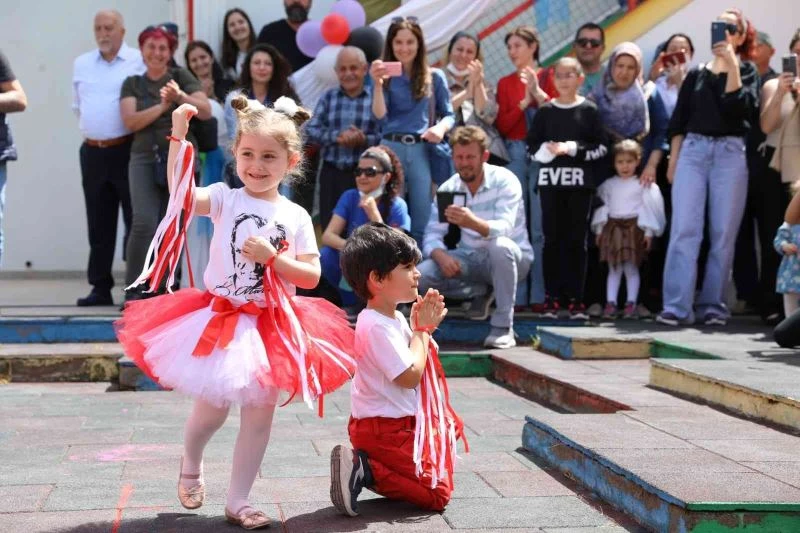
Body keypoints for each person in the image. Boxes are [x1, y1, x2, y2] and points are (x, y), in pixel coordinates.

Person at [116, 96, 356, 529]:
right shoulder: (225, 198)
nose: (257, 165)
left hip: (270, 326)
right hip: (221, 320)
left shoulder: (296, 215)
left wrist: (273, 259)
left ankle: (239, 500)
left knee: (260, 416)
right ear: (236, 154)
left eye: (269, 157)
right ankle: (191, 459)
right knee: (211, 411)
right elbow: (181, 194)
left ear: (291, 161)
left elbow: (309, 276)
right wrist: (178, 136)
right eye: (248, 154)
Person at [332, 222, 465, 515]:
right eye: (407, 267)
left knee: (449, 430)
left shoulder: (393, 318)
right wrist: (423, 332)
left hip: (399, 424)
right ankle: (365, 469)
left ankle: (383, 467)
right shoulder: (376, 325)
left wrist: (421, 330)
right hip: (384, 430)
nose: (417, 273)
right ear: (378, 279)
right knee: (437, 494)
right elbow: (409, 376)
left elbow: (420, 357)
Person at [656, 8, 759, 327]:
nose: (724, 32)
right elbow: (679, 120)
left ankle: (713, 303)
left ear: (741, 36)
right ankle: (676, 305)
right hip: (693, 151)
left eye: (731, 27)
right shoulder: (697, 73)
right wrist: (674, 158)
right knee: (684, 229)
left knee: (723, 232)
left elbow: (740, 109)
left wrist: (731, 63)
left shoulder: (747, 70)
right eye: (720, 26)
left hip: (730, 151)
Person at [418, 126, 533, 349]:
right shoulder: (449, 188)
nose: (464, 163)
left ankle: (503, 328)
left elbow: (505, 228)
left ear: (485, 156)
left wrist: (472, 222)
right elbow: (432, 234)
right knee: (422, 275)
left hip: (512, 258)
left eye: (470, 156)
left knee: (500, 247)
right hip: (469, 258)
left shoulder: (505, 180)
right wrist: (441, 256)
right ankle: (479, 294)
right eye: (459, 157)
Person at [120, 25, 211, 303]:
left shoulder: (180, 76)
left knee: (174, 223)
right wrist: (162, 107)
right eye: (151, 47)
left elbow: (205, 110)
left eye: (163, 48)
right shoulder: (133, 83)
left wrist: (180, 97)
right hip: (144, 158)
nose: (157, 53)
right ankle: (135, 291)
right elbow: (130, 121)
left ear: (170, 52)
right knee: (144, 222)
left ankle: (164, 291)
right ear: (143, 50)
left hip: (179, 157)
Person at [72, 10, 144, 306]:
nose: (103, 33)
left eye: (109, 28)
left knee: (134, 219)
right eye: (98, 28)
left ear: (122, 31)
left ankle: (135, 285)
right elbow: (77, 106)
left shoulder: (137, 60)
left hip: (127, 149)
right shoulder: (82, 63)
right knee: (98, 222)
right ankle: (99, 287)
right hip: (92, 151)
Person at [528, 57, 608, 320]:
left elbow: (602, 147)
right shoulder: (546, 112)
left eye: (569, 75)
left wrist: (571, 149)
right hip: (550, 185)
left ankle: (575, 300)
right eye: (559, 75)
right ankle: (552, 298)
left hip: (579, 187)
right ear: (553, 79)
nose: (564, 80)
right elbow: (531, 148)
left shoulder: (589, 111)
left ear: (580, 79)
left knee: (576, 241)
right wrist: (548, 152)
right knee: (551, 241)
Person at [370, 16, 455, 244]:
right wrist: (377, 85)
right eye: (399, 42)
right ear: (391, 45)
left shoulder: (434, 76)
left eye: (410, 42)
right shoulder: (383, 74)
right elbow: (379, 116)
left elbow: (449, 114)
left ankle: (419, 271)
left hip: (421, 148)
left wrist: (440, 127)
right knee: (390, 214)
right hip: (391, 147)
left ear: (419, 45)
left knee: (422, 214)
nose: (404, 48)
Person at [735, 31, 800, 322]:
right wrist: (782, 93)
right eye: (797, 51)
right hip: (777, 169)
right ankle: (772, 304)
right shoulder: (773, 84)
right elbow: (766, 124)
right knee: (775, 236)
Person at [495, 25, 548, 314]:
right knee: (517, 225)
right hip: (515, 151)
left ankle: (539, 294)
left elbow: (555, 113)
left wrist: (537, 95)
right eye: (510, 46)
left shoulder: (548, 75)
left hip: (542, 154)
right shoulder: (505, 83)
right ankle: (518, 295)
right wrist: (524, 103)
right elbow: (504, 125)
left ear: (532, 47)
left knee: (539, 227)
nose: (512, 51)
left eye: (517, 45)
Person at [320, 146, 409, 309]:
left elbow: (400, 246)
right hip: (354, 261)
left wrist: (374, 215)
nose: (362, 177)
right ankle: (346, 303)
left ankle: (382, 304)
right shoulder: (350, 196)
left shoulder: (398, 204)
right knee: (326, 255)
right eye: (358, 171)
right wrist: (356, 250)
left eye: (370, 172)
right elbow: (328, 236)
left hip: (381, 264)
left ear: (386, 177)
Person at [306, 46, 382, 230]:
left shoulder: (376, 98)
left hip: (366, 176)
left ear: (365, 69)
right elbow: (312, 128)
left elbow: (384, 134)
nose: (348, 73)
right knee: (329, 227)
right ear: (336, 72)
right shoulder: (328, 97)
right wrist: (337, 137)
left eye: (354, 68)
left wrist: (364, 139)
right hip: (332, 174)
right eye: (343, 69)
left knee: (363, 232)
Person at [591, 140, 665, 319]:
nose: (625, 166)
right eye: (620, 162)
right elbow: (603, 207)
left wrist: (648, 232)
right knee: (614, 268)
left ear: (638, 161)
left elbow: (647, 208)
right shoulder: (608, 185)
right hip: (613, 228)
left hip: (634, 229)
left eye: (629, 161)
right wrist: (600, 229)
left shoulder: (642, 184)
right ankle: (611, 303)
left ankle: (631, 303)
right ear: (614, 163)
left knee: (631, 268)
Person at [589, 42, 649, 144]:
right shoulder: (595, 97)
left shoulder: (647, 95)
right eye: (620, 66)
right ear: (612, 66)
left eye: (631, 68)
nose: (624, 72)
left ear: (637, 70)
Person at [539, 23, 606, 99]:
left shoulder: (612, 76)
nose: (588, 46)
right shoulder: (557, 76)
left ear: (603, 48)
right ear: (574, 46)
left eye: (594, 43)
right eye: (583, 42)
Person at [257, 0, 313, 73]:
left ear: (310, 2)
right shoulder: (268, 33)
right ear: (284, 1)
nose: (296, 1)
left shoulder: (321, 34)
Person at [773, 185, 800, 318]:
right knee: (791, 312)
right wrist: (785, 246)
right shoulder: (791, 226)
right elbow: (779, 240)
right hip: (791, 277)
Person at [221, 8, 257, 80]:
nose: (237, 27)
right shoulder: (227, 58)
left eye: (241, 22)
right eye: (232, 25)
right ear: (227, 31)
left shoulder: (263, 51)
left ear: (248, 24)